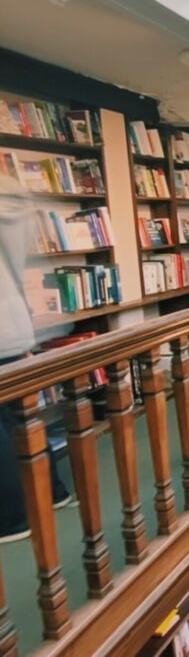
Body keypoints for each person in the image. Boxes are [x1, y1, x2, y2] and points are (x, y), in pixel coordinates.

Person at [0, 175, 73, 543]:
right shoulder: (12, 197)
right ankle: (54, 490)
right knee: (22, 414)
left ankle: (14, 517)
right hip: (13, 319)